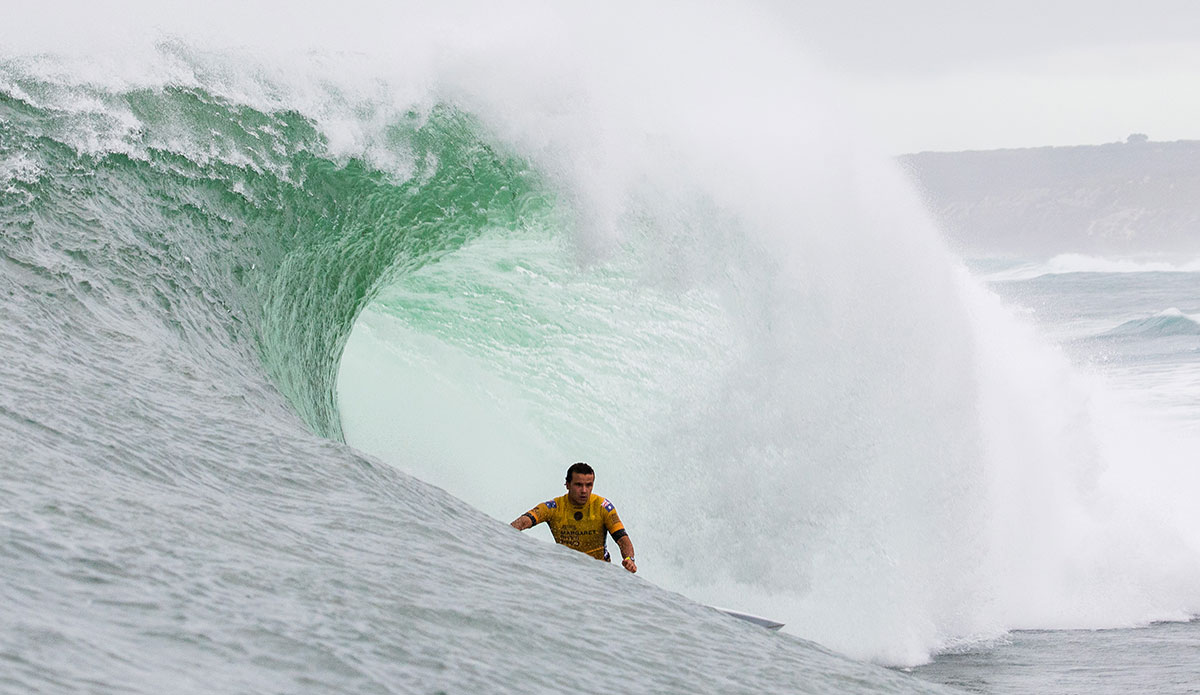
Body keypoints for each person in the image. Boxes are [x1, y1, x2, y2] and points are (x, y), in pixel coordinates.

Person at [511, 462, 637, 573]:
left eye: (589, 485)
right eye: (578, 485)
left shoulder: (603, 507)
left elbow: (623, 539)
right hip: (567, 573)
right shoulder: (553, 507)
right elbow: (522, 522)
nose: (584, 490)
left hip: (599, 573)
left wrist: (629, 559)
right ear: (567, 484)